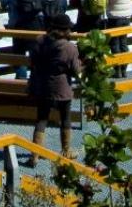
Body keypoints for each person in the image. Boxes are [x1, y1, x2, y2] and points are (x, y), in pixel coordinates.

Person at [24, 13, 81, 164]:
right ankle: (66, 151)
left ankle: (35, 154)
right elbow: (76, 71)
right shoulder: (70, 48)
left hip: (42, 85)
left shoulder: (39, 41)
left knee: (41, 119)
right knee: (65, 119)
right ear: (67, 30)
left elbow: (32, 61)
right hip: (62, 88)